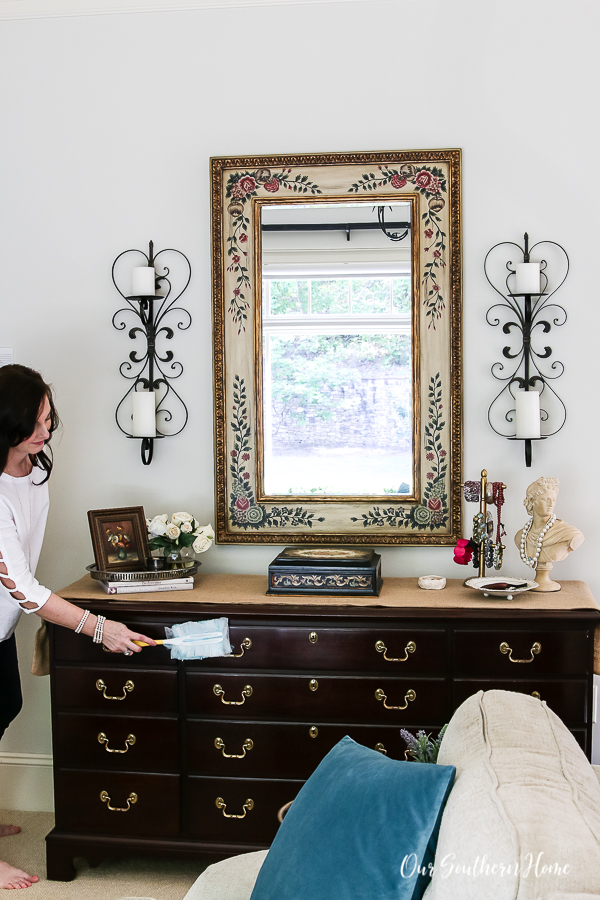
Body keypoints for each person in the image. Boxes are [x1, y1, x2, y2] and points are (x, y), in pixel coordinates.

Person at [0, 365, 156, 889]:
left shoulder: (32, 468)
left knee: (4, 708)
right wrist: (97, 627)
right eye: (36, 420)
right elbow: (19, 584)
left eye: (48, 417)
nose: (47, 429)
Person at [514, 476, 584, 592]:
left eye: (554, 499)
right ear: (532, 501)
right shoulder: (520, 536)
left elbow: (576, 538)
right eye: (546, 499)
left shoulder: (570, 534)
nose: (551, 504)